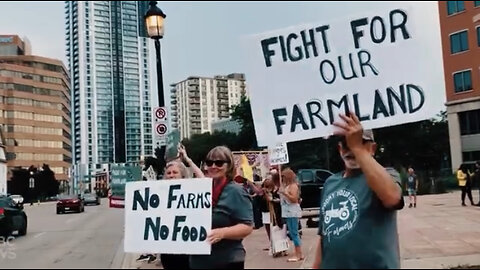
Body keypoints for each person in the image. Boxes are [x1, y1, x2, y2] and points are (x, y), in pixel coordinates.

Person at [313, 113, 404, 269]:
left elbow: (392, 197)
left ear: (373, 148)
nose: (352, 148)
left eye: (361, 142)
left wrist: (356, 147)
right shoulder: (330, 183)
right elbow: (325, 236)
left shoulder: (387, 174)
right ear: (340, 149)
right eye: (347, 144)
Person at [189, 146, 253, 269]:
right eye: (209, 163)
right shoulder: (200, 189)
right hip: (199, 261)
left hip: (227, 260)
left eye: (219, 163)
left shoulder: (236, 191)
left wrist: (222, 233)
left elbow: (247, 226)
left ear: (229, 165)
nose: (213, 166)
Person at [279, 168, 303, 262]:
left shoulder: (293, 186)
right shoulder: (288, 186)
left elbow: (294, 199)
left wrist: (285, 193)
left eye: (284, 177)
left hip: (292, 212)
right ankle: (298, 253)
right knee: (293, 233)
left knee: (294, 233)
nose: (283, 179)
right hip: (288, 212)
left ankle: (298, 254)